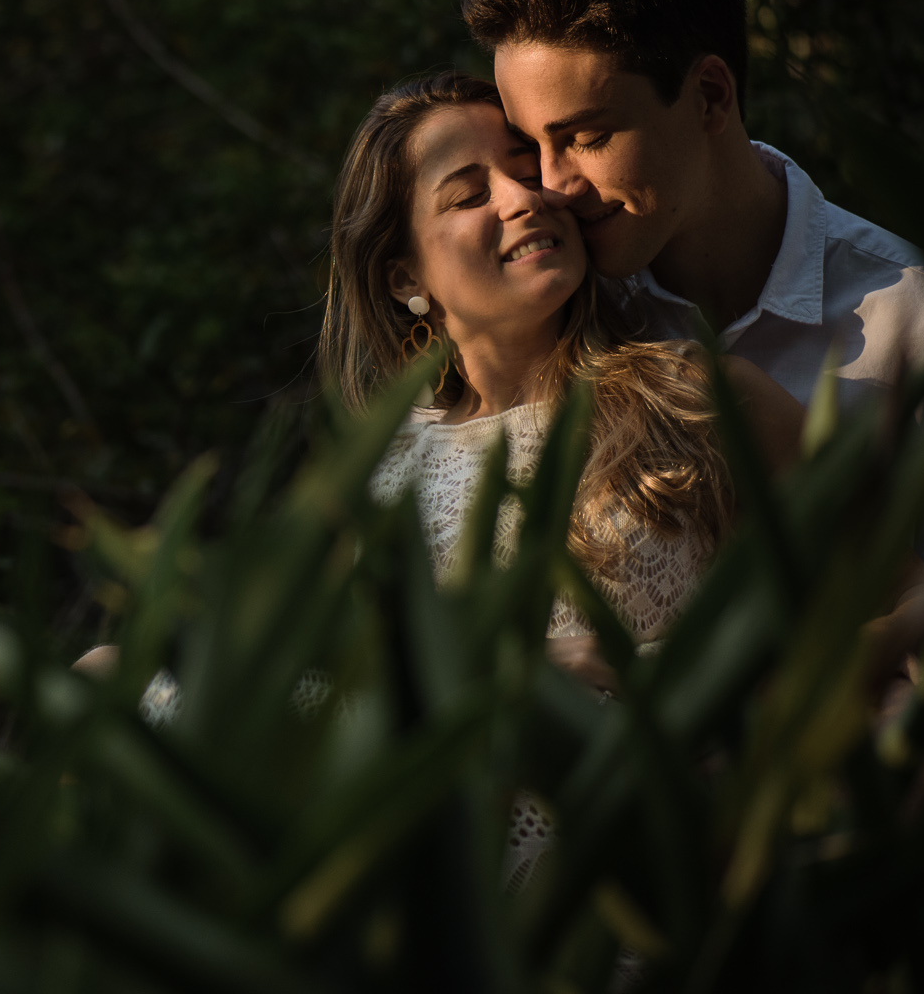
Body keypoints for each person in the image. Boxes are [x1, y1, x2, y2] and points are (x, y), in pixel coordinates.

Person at [323, 70, 802, 651]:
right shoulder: (378, 482)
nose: (524, 198)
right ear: (405, 278)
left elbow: (898, 599)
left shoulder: (697, 399)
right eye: (471, 195)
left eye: (527, 173)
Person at [460, 0, 924, 415]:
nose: (553, 186)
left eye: (585, 138)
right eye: (531, 146)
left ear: (711, 96)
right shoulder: (553, 312)